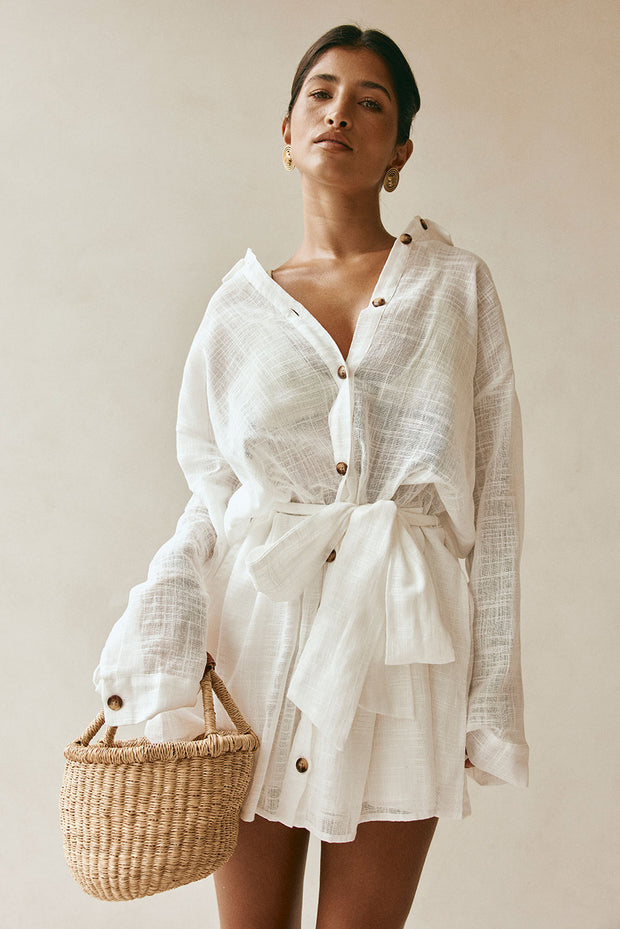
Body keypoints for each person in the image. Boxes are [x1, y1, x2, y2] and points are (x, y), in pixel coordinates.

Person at [93, 24, 528, 929]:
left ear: (399, 150)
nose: (340, 114)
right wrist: (171, 631)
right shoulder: (237, 309)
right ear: (287, 132)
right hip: (255, 642)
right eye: (320, 95)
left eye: (371, 102)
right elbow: (214, 493)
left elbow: (498, 501)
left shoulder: (456, 287)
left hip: (402, 648)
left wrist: (490, 696)